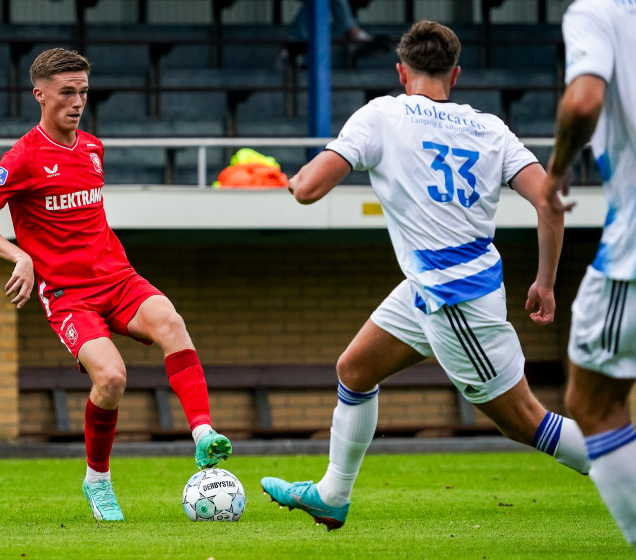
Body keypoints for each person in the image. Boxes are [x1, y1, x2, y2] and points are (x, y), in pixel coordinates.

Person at [260, 20, 590, 531]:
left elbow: (307, 190)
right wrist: (545, 280)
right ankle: (331, 494)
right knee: (354, 369)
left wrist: (293, 178)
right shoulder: (490, 127)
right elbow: (550, 201)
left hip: (454, 298)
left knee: (525, 421)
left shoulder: (382, 115)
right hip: (430, 288)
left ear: (400, 71)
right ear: (455, 75)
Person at [0, 48, 231, 522]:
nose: (77, 101)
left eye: (83, 91)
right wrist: (19, 255)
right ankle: (98, 479)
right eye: (67, 92)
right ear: (39, 94)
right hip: (68, 295)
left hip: (118, 278)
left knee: (170, 321)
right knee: (111, 379)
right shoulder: (22, 157)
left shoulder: (91, 147)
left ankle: (203, 434)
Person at [544, 0, 636, 548]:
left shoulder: (597, 11)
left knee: (593, 403)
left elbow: (582, 103)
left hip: (631, 254)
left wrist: (558, 169)